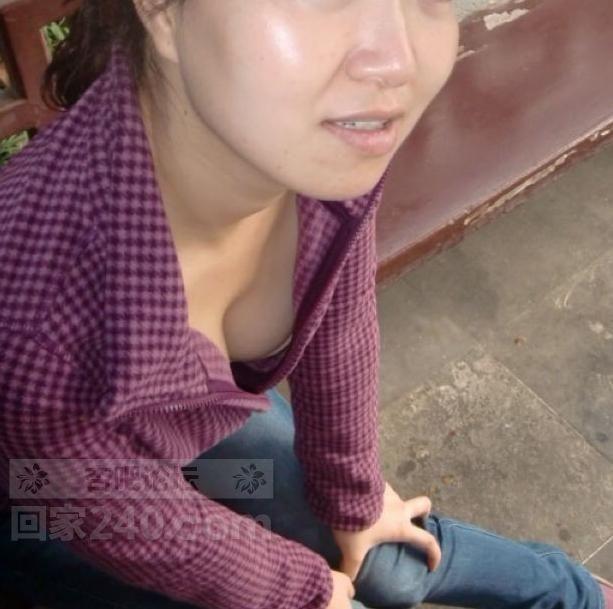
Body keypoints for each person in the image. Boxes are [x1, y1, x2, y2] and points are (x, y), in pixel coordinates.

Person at [0, 1, 610, 609]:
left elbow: (341, 326)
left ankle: (573, 594)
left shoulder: (314, 143)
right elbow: (102, 506)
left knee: (389, 566)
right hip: (40, 496)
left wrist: (353, 496)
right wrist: (297, 591)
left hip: (178, 422)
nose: (397, 60)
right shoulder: (32, 315)